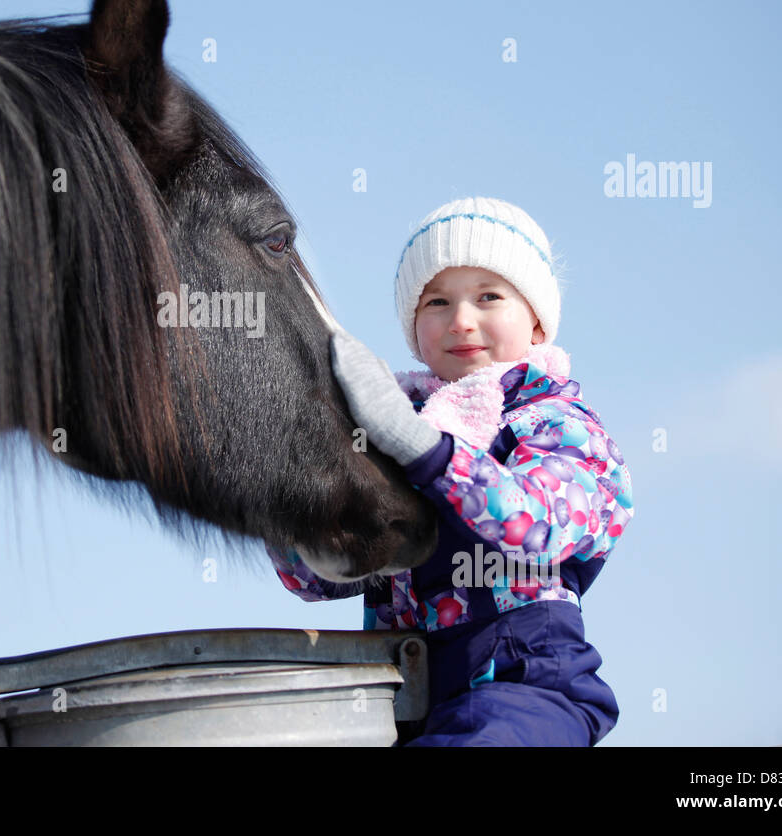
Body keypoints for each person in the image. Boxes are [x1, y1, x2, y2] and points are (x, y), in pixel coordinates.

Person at [267, 196, 634, 746]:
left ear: (536, 321)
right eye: (437, 301)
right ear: (415, 329)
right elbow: (314, 578)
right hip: (398, 703)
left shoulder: (557, 424)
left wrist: (428, 453)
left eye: (489, 296)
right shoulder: (390, 432)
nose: (461, 320)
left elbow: (539, 524)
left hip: (524, 686)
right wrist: (292, 480)